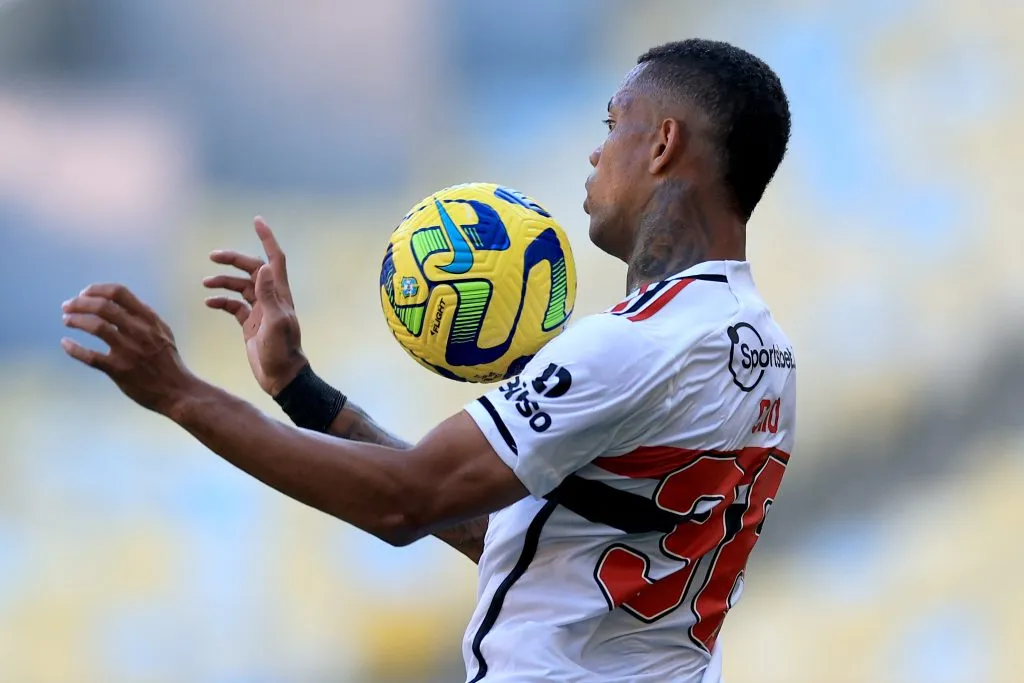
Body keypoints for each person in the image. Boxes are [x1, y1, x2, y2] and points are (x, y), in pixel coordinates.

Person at [61, 39, 795, 683]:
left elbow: (405, 501)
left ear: (663, 143)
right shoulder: (761, 349)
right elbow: (510, 537)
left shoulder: (632, 346)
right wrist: (301, 390)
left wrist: (178, 391)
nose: (596, 151)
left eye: (613, 124)